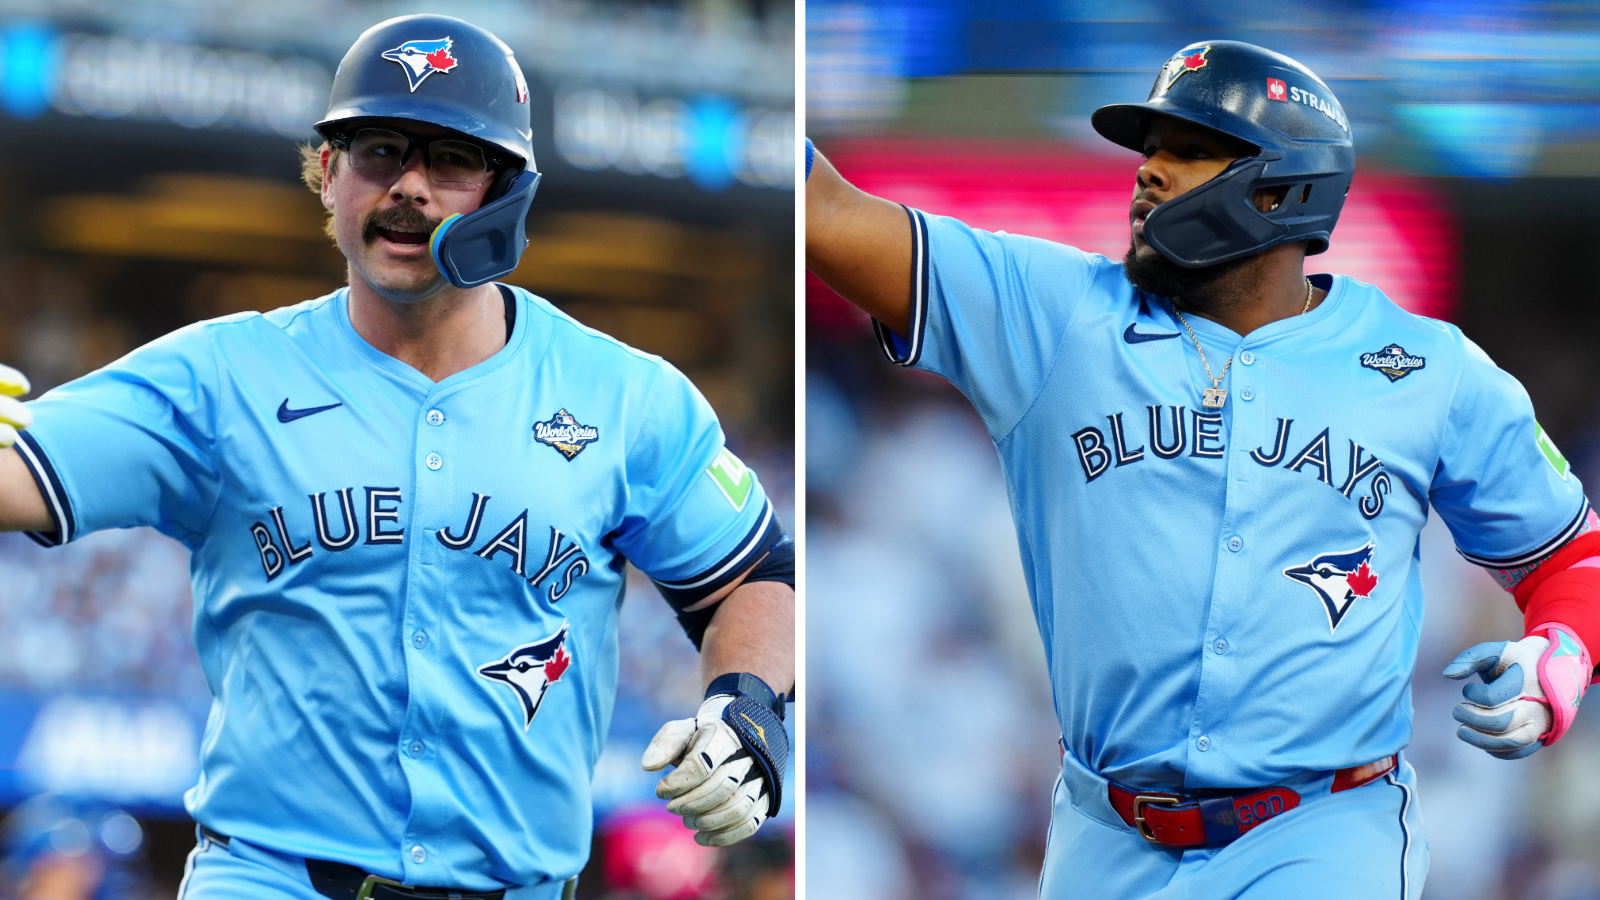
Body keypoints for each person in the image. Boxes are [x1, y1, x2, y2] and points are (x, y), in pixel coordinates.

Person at [0, 14, 793, 900]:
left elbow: (755, 571)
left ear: (505, 192)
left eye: (450, 160)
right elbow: (20, 471)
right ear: (330, 174)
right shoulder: (219, 374)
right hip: (270, 880)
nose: (410, 187)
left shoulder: (625, 396)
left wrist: (748, 706)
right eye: (379, 151)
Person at [805, 40, 1600, 898]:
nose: (1148, 173)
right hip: (1107, 835)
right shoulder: (1053, 313)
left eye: (1187, 151)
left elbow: (1570, 557)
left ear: (1282, 184)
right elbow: (826, 214)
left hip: (1324, 832)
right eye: (1148, 150)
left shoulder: (1426, 367)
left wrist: (1557, 657)